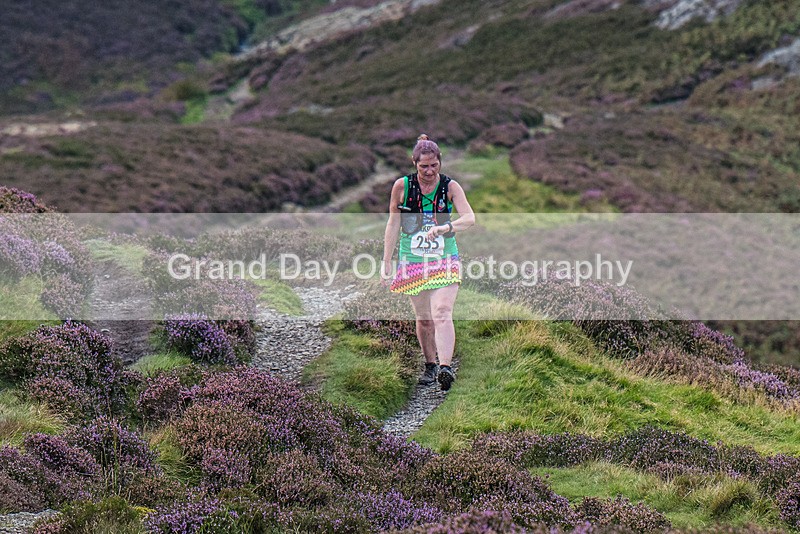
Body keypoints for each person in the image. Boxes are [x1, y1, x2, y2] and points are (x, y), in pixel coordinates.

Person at [381, 134, 475, 391]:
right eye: (424, 166)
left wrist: (446, 227)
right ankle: (430, 365)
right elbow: (393, 222)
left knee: (442, 311)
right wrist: (386, 260)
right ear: (414, 164)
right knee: (424, 319)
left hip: (445, 257)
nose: (430, 171)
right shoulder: (402, 187)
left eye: (434, 165)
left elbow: (469, 218)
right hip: (412, 259)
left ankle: (446, 368)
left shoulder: (451, 187)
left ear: (440, 162)